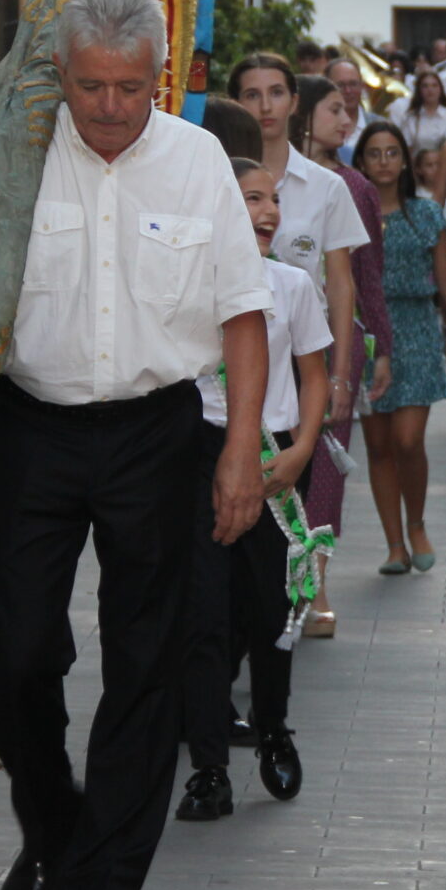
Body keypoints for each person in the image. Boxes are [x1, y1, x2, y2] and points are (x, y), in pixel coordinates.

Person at [0, 0, 269, 890]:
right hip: (33, 426)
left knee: (147, 657)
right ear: (63, 72)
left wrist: (240, 456)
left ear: (160, 81)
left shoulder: (195, 165)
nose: (107, 107)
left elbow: (242, 312)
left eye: (128, 88)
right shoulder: (14, 155)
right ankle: (54, 827)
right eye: (91, 85)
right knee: (13, 651)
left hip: (157, 432)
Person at [176, 157, 330, 823]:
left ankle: (274, 728)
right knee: (204, 616)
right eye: (250, 198)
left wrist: (300, 451)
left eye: (273, 199)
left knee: (273, 611)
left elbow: (315, 374)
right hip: (199, 450)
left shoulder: (292, 284)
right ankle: (208, 765)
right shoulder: (185, 283)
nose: (267, 210)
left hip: (275, 454)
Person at [232, 54, 380, 640]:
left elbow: (340, 283)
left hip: (310, 357)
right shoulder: (218, 182)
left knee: (316, 475)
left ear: (295, 102)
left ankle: (311, 583)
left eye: (275, 93)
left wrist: (341, 372)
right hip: (237, 356)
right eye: (251, 94)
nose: (264, 107)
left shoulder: (326, 187)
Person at [295, 72, 396, 631]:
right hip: (266, 343)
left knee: (327, 471)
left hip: (339, 342)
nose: (346, 118)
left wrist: (381, 346)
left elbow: (366, 276)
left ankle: (316, 581)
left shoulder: (353, 186)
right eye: (333, 108)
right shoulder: (252, 177)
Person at [352, 121, 446, 573]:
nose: (383, 161)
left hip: (416, 327)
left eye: (392, 152)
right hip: (364, 334)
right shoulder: (349, 213)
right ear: (361, 161)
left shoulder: (425, 214)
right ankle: (394, 544)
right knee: (378, 446)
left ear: (404, 160)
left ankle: (416, 521)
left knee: (407, 439)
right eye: (374, 153)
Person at [398, 66, 446, 151]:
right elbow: (406, 149)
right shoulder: (410, 117)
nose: (430, 90)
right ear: (419, 91)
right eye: (425, 86)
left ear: (440, 89)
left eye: (434, 85)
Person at [325, 56, 368, 164]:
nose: (348, 91)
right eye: (340, 85)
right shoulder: (318, 129)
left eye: (353, 84)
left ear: (362, 86)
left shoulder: (378, 124)